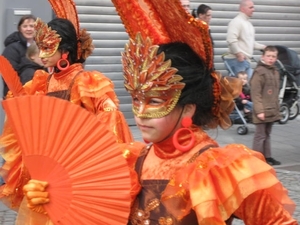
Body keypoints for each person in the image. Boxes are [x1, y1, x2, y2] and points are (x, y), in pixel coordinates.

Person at [23, 1, 297, 224]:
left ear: (189, 106)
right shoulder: (130, 161)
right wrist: (54, 197)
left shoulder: (223, 170)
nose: (140, 114)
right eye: (136, 99)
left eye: (155, 102)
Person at [0, 4, 133, 222]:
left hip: (77, 170)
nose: (42, 55)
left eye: (48, 48)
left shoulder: (85, 81)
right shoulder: (43, 81)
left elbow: (109, 118)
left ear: (65, 51)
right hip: (48, 167)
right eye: (40, 47)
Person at [250, 46, 282, 166]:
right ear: (263, 56)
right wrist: (259, 111)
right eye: (268, 56)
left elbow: (274, 93)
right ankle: (256, 158)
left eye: (273, 56)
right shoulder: (259, 72)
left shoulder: (274, 71)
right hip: (262, 110)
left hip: (272, 109)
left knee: (267, 134)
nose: (271, 59)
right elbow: (255, 93)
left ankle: (267, 156)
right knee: (260, 135)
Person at [224, 0, 265, 79]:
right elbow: (231, 40)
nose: (253, 9)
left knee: (248, 86)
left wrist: (263, 47)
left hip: (245, 61)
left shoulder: (248, 23)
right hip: (237, 61)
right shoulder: (236, 22)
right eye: (251, 7)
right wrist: (238, 53)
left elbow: (250, 43)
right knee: (240, 88)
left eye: (253, 7)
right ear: (242, 9)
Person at [2, 14, 36, 96]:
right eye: (25, 26)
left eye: (32, 26)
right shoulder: (12, 48)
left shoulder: (41, 46)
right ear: (19, 28)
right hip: (17, 94)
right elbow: (9, 74)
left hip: (37, 93)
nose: (29, 29)